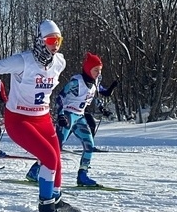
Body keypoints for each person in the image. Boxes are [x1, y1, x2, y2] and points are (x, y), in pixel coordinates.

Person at [0, 20, 76, 212]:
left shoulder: (59, 62)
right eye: (51, 40)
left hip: (43, 118)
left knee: (57, 158)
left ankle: (55, 199)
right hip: (19, 120)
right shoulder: (22, 61)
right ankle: (45, 208)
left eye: (59, 40)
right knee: (48, 157)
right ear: (40, 41)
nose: (56, 45)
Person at [25, 52, 118, 186]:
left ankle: (82, 176)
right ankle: (34, 171)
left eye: (100, 70)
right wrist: (61, 114)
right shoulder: (76, 82)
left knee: (89, 146)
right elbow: (60, 98)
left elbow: (94, 95)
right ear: (87, 69)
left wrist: (103, 107)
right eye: (95, 70)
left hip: (80, 117)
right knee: (55, 147)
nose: (98, 73)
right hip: (68, 116)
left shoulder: (95, 81)